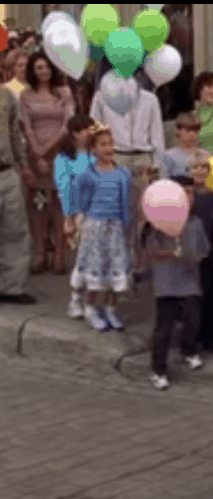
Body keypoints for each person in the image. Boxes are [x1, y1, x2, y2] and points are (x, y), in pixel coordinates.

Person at [90, 67, 164, 276]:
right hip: (116, 155)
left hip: (142, 156)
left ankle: (138, 263)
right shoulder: (101, 98)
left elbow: (156, 133)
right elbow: (94, 128)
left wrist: (156, 163)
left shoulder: (150, 100)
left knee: (142, 214)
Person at [143, 173, 210, 390]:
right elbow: (149, 251)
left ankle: (188, 350)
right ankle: (158, 370)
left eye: (192, 193)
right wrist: (166, 253)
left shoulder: (196, 223)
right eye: (184, 193)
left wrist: (196, 256)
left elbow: (204, 250)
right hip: (166, 284)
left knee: (192, 319)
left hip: (189, 280)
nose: (189, 197)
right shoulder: (156, 224)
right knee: (164, 328)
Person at [69, 123, 132, 332]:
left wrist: (126, 224)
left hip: (115, 229)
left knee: (115, 270)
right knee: (95, 271)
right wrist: (75, 220)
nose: (108, 148)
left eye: (110, 144)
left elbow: (125, 201)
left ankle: (111, 308)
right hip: (95, 227)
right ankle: (90, 308)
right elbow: (78, 200)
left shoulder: (123, 174)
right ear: (94, 149)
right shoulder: (88, 175)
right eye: (102, 145)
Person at [20, 51, 74, 274]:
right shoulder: (26, 95)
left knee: (59, 205)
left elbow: (67, 124)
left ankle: (60, 254)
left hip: (59, 154)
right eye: (39, 68)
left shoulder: (64, 92)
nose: (43, 71)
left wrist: (48, 149)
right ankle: (40, 252)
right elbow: (26, 125)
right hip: (36, 158)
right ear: (33, 71)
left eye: (47, 67)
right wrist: (37, 153)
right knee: (39, 204)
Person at [55, 114, 96, 317]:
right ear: (74, 133)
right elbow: (64, 189)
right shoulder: (64, 159)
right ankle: (76, 299)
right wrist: (68, 217)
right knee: (84, 258)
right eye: (85, 130)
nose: (90, 133)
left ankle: (93, 300)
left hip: (100, 212)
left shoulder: (96, 155)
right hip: (80, 213)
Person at [0, 82, 34, 305]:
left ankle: (11, 287)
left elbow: (14, 132)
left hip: (6, 170)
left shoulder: (5, 96)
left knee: (16, 230)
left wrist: (23, 165)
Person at [190, 154, 213, 354]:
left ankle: (211, 336)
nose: (200, 171)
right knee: (191, 298)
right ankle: (192, 336)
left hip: (209, 252)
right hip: (189, 255)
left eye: (204, 167)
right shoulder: (183, 197)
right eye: (196, 167)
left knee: (212, 295)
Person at [157, 113, 210, 180]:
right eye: (188, 131)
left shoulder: (205, 154)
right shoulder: (168, 156)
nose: (192, 134)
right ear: (178, 131)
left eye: (196, 131)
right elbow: (163, 181)